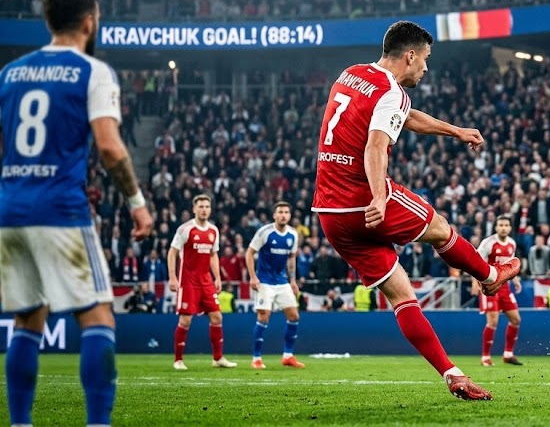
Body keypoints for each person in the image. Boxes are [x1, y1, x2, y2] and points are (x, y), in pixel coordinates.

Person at [311, 21, 520, 400]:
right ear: (409, 56)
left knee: (402, 296)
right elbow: (375, 146)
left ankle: (453, 375)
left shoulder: (350, 75)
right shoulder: (391, 91)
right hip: (365, 199)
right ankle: (490, 275)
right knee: (440, 228)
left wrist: (456, 131)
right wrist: (378, 196)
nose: (426, 67)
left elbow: (404, 116)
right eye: (425, 59)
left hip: (330, 213)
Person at [0, 0, 154, 427]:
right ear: (89, 22)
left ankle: (20, 423)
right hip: (60, 209)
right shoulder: (93, 71)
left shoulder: (10, 74)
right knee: (98, 315)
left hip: (10, 208)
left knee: (28, 318)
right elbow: (109, 146)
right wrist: (137, 202)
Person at [168, 194, 236, 370]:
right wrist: (173, 277)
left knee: (217, 316)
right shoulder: (186, 229)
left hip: (206, 281)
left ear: (210, 209)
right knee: (185, 320)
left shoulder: (213, 230)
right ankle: (178, 360)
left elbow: (213, 255)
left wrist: (217, 277)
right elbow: (172, 253)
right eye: (201, 207)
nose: (204, 210)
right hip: (188, 281)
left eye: (207, 207)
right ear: (194, 209)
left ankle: (218, 358)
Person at [246, 201, 304, 369]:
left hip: (282, 281)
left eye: (286, 212)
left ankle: (288, 356)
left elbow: (291, 258)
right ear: (274, 215)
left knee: (294, 316)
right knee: (263, 316)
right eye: (280, 212)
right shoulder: (265, 232)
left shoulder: (293, 234)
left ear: (290, 215)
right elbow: (249, 253)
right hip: (264, 281)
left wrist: (292, 280)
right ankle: (256, 358)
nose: (283, 215)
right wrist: (253, 277)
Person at [471, 216, 524, 366]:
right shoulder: (488, 243)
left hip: (505, 287)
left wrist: (515, 280)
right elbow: (474, 262)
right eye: (500, 225)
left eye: (506, 225)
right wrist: (475, 283)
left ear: (510, 228)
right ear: (495, 227)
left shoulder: (512, 244)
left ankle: (508, 354)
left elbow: (509, 267)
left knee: (516, 319)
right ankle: (485, 357)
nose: (503, 228)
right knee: (493, 321)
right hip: (489, 287)